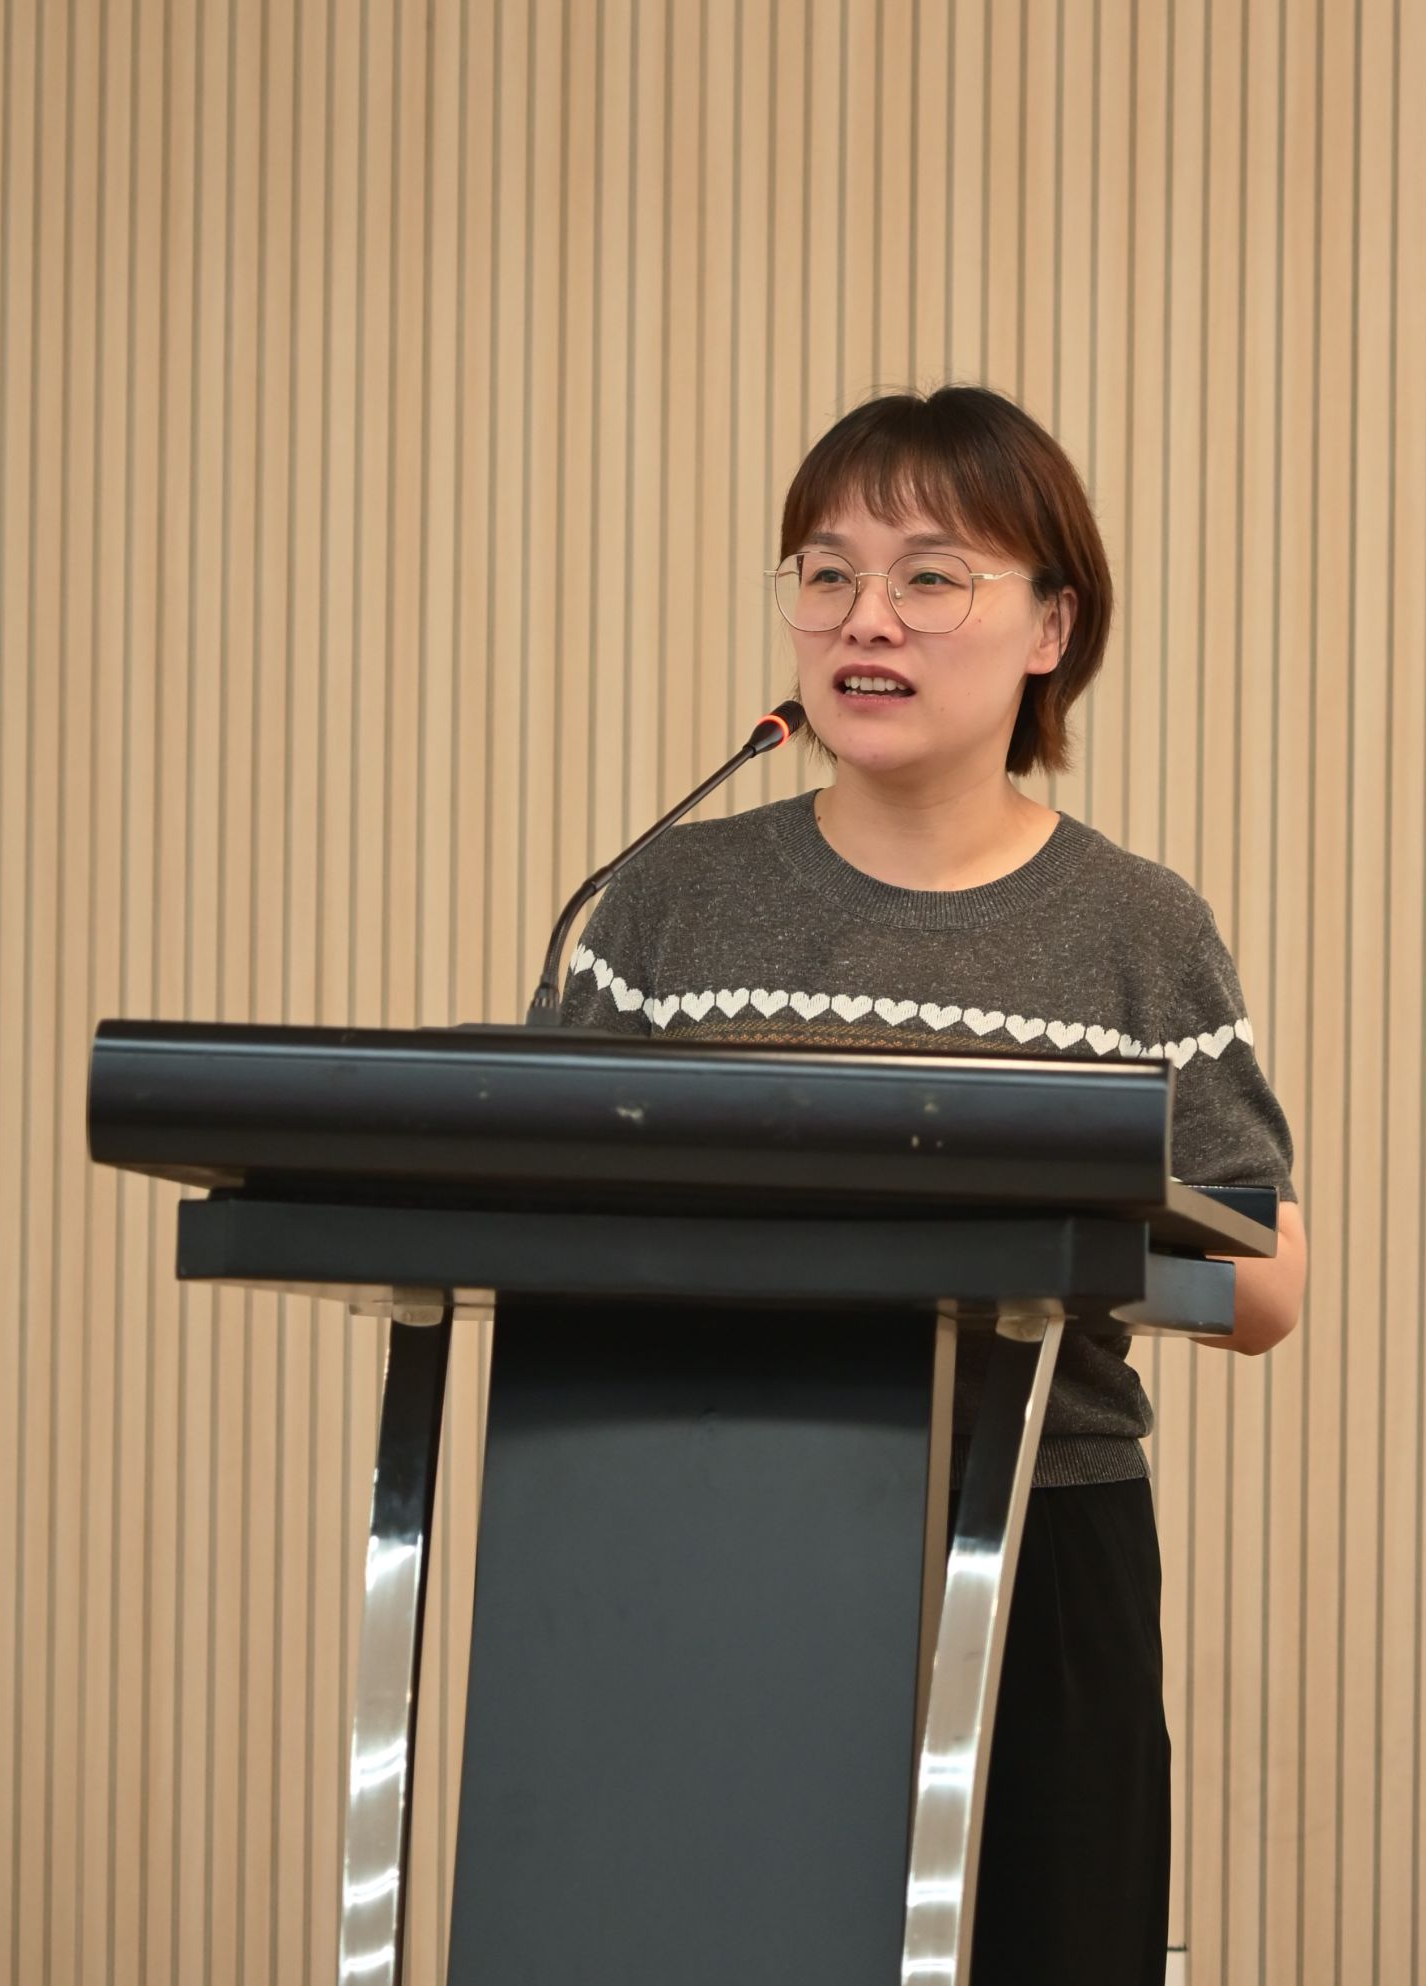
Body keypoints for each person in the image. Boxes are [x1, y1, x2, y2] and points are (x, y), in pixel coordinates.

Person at [559, 384, 1307, 1986]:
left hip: (1039, 1544)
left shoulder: (1138, 929)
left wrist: (1035, 1232)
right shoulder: (666, 901)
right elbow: (543, 1211)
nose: (864, 618)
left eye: (929, 576)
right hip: (708, 1530)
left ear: (1052, 626)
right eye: (826, 573)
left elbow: (1265, 1281)